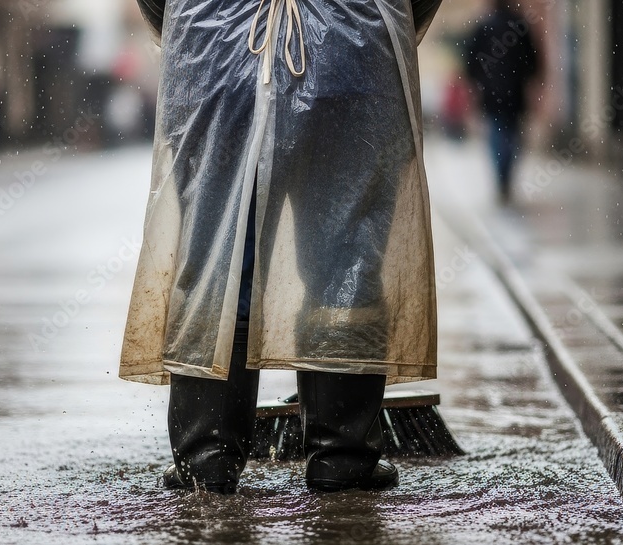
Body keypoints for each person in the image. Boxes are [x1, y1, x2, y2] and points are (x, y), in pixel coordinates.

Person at [121, 0, 440, 493]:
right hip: (349, 49)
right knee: (345, 253)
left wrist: (197, 20)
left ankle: (207, 454)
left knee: (218, 255)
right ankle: (341, 456)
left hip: (216, 54)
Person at [462, 0, 539, 203]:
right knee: (512, 134)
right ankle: (506, 175)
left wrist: (478, 79)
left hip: (492, 92)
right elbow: (532, 61)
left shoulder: (484, 26)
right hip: (514, 92)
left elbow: (471, 60)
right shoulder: (520, 25)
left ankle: (501, 176)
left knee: (497, 133)